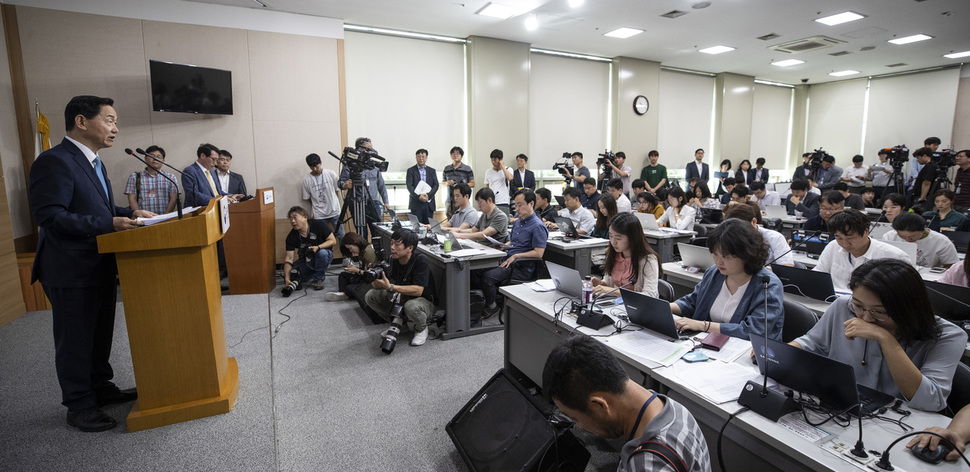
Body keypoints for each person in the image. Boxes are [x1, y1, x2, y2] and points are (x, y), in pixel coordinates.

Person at [29, 95, 155, 432]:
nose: (115, 128)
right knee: (76, 339)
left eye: (115, 122)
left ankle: (100, 387)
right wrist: (108, 224)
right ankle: (79, 405)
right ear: (82, 122)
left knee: (98, 335)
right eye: (110, 120)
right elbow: (50, 216)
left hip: (98, 264)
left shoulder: (94, 162)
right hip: (69, 269)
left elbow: (96, 207)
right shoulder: (54, 160)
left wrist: (129, 213)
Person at [793, 259, 966, 412]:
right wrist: (781, 356)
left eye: (880, 312)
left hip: (901, 422)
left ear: (909, 308)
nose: (866, 318)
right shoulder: (843, 306)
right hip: (845, 406)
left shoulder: (948, 335)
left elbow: (931, 400)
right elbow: (813, 343)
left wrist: (886, 340)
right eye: (858, 306)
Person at [541, 335, 712, 472]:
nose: (578, 426)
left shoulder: (648, 464)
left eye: (574, 418)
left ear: (600, 405)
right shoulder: (670, 407)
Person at [670, 219, 784, 340]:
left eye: (726, 256)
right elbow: (694, 301)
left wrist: (703, 326)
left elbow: (753, 330)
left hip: (746, 351)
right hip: (708, 342)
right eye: (714, 254)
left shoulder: (768, 285)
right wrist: (665, 307)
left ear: (747, 254)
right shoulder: (715, 272)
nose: (718, 261)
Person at [471, 189, 548, 319]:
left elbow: (539, 253)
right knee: (473, 270)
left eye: (520, 205)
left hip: (521, 266)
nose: (516, 208)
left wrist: (516, 256)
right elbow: (514, 241)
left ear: (531, 204)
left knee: (487, 277)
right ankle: (491, 298)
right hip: (507, 260)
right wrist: (505, 246)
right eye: (515, 205)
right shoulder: (518, 222)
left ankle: (492, 305)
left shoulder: (538, 226)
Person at [365, 228, 436, 347]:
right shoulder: (392, 260)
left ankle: (421, 328)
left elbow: (418, 291)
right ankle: (401, 326)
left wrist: (391, 287)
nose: (392, 247)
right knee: (371, 296)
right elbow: (377, 286)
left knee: (411, 306)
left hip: (424, 302)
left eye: (397, 245)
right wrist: (374, 278)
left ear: (410, 248)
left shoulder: (420, 260)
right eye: (392, 243)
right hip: (401, 297)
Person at [813, 209, 911, 292]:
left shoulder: (894, 257)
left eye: (850, 238)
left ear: (866, 232)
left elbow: (903, 293)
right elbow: (818, 276)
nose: (845, 244)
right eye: (839, 238)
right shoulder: (833, 246)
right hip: (833, 302)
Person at [591, 213, 662, 298]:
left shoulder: (648, 260)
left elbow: (650, 295)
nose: (613, 242)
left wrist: (613, 291)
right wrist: (600, 284)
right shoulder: (614, 254)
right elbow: (609, 281)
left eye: (618, 238)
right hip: (615, 305)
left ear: (632, 237)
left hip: (637, 308)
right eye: (610, 236)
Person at [325, 233, 378, 320]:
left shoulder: (369, 252)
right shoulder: (362, 251)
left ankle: (346, 293)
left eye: (350, 248)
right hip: (363, 275)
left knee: (350, 287)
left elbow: (373, 275)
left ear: (355, 243)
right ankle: (343, 294)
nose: (351, 251)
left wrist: (357, 270)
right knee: (343, 275)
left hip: (370, 280)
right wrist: (355, 269)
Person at [339, 137, 390, 226]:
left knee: (378, 230)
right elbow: (340, 182)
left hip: (373, 202)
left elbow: (381, 185)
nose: (372, 150)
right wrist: (345, 185)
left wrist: (386, 201)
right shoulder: (350, 165)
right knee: (362, 232)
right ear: (360, 149)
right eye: (369, 148)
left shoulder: (374, 166)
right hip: (356, 203)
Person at [723, 202, 793, 266]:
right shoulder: (729, 236)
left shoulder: (775, 238)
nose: (737, 233)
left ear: (754, 222)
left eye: (741, 229)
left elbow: (787, 266)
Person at [282, 206, 335, 291]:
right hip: (306, 260)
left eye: (295, 218)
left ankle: (318, 279)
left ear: (305, 217)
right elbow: (289, 258)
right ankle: (313, 272)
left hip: (324, 255)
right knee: (292, 274)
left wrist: (318, 247)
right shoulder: (291, 236)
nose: (292, 221)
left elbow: (332, 240)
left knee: (322, 254)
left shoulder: (319, 224)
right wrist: (287, 279)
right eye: (291, 219)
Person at [884, 212, 959, 269]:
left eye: (913, 236)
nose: (908, 239)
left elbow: (951, 267)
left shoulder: (941, 241)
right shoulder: (890, 237)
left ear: (923, 229)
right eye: (902, 236)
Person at [124, 144, 177, 214]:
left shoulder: (170, 177)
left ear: (163, 160)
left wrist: (165, 216)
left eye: (159, 157)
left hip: (165, 219)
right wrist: (140, 216)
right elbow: (132, 199)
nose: (155, 159)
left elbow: (173, 198)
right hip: (143, 220)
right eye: (152, 156)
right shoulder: (135, 177)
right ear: (145, 158)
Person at [302, 153, 344, 242]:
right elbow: (308, 198)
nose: (314, 169)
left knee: (341, 235)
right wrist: (318, 204)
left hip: (334, 211)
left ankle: (346, 255)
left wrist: (333, 202)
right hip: (318, 214)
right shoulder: (306, 179)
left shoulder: (331, 174)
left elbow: (337, 190)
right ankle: (325, 255)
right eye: (311, 167)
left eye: (316, 166)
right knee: (321, 237)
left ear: (320, 162)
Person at [183, 143, 232, 207]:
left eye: (217, 160)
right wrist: (218, 200)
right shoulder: (190, 171)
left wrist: (231, 196)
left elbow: (217, 192)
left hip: (215, 210)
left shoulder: (211, 172)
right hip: (200, 212)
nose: (215, 163)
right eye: (213, 159)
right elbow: (193, 195)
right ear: (203, 156)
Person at [405, 148, 438, 225]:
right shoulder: (411, 170)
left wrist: (428, 195)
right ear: (416, 157)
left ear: (426, 158)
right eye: (419, 156)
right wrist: (418, 196)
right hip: (416, 203)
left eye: (423, 156)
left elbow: (436, 185)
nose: (421, 158)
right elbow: (409, 186)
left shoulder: (432, 171)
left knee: (429, 227)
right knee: (416, 227)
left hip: (428, 203)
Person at [442, 146, 476, 216]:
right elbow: (443, 184)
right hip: (450, 200)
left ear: (462, 156)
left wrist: (460, 185)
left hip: (462, 199)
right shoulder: (447, 168)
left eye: (458, 154)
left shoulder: (467, 168)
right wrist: (447, 183)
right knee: (450, 219)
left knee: (462, 218)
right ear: (451, 156)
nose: (455, 155)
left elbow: (472, 184)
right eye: (453, 154)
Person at [484, 149, 514, 214]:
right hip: (492, 201)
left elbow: (510, 178)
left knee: (503, 220)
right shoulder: (488, 171)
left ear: (500, 159)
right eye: (492, 160)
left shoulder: (508, 169)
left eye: (495, 160)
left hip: (503, 201)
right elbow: (487, 186)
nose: (493, 162)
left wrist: (503, 167)